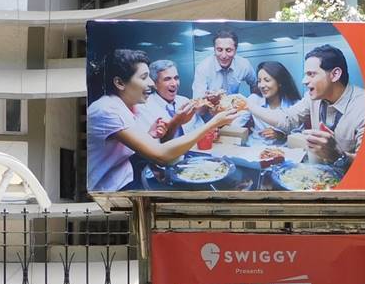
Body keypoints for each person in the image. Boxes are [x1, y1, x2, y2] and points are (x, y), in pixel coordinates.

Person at [87, 48, 241, 192]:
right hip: (112, 189)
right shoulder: (107, 110)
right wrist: (213, 123)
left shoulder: (126, 107)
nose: (151, 83)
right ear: (120, 83)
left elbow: (148, 148)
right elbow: (160, 155)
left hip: (128, 178)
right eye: (144, 77)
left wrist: (153, 134)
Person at [246, 44, 365, 167]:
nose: (304, 81)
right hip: (319, 171)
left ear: (335, 74)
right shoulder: (312, 98)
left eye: (311, 74)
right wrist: (248, 105)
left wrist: (338, 155)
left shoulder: (364, 107)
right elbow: (287, 119)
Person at [191, 29, 256, 118]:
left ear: (235, 50)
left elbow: (255, 85)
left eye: (228, 50)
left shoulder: (244, 65)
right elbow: (198, 111)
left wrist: (254, 109)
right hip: (210, 119)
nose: (224, 55)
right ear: (214, 49)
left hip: (234, 116)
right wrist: (210, 101)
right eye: (219, 50)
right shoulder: (202, 68)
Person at [136, 59, 201, 142]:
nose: (174, 84)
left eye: (176, 78)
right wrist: (175, 122)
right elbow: (151, 144)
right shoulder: (143, 107)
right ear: (154, 84)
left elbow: (199, 128)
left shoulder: (185, 101)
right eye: (167, 79)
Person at [245, 60, 302, 141]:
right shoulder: (254, 99)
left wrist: (282, 136)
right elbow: (237, 123)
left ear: (279, 82)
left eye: (267, 80)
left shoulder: (295, 105)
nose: (261, 85)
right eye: (259, 81)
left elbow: (300, 138)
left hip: (283, 148)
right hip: (255, 145)